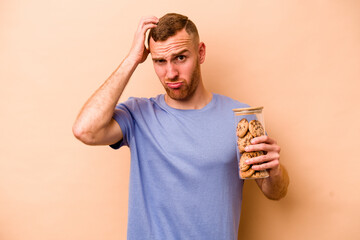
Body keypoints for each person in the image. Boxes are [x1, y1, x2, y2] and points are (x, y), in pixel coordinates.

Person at [73, 13, 289, 240]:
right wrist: (132, 59)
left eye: (180, 58)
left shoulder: (241, 118)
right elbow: (84, 130)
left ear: (201, 53)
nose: (171, 73)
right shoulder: (138, 114)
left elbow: (275, 192)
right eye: (160, 61)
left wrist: (274, 172)